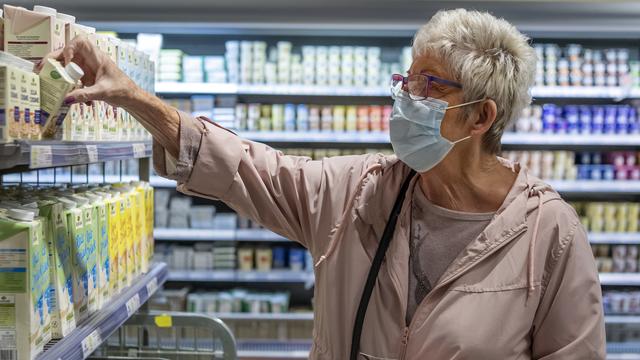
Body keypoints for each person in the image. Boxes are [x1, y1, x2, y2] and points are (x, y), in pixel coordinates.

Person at [41, 8, 606, 359]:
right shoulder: (360, 191)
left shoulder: (546, 234)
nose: (404, 97)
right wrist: (134, 98)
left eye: (428, 85)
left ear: (481, 117)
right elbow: (245, 168)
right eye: (405, 79)